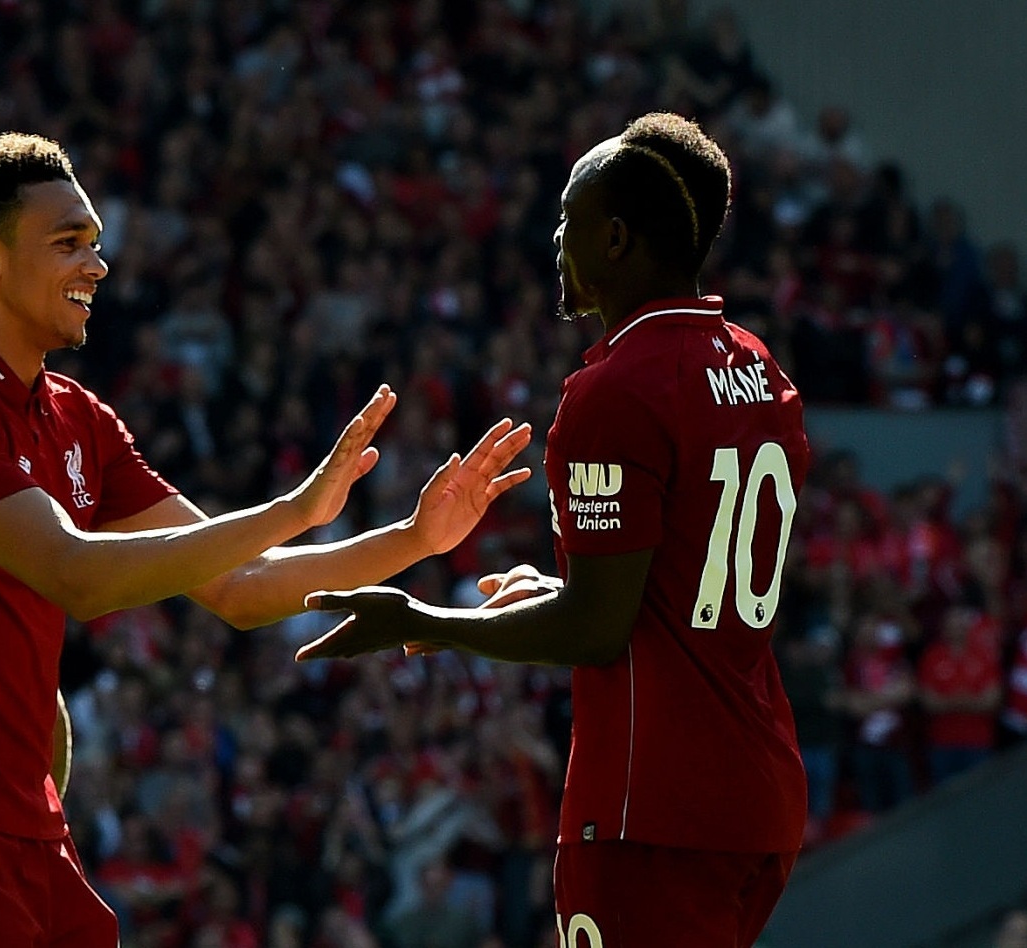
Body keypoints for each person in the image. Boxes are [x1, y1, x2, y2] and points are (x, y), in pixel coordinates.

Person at [0, 131, 531, 948]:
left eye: (95, 242)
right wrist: (296, 507)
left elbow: (240, 588)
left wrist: (415, 537)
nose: (97, 265)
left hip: (24, 819)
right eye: (68, 243)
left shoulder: (79, 419)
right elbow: (76, 575)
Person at [298, 112, 811, 948]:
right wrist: (565, 590)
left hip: (652, 811)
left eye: (570, 218)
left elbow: (595, 629)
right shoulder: (759, 366)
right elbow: (682, 581)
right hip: (757, 793)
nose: (556, 238)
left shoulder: (616, 393)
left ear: (615, 237)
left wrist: (428, 621)